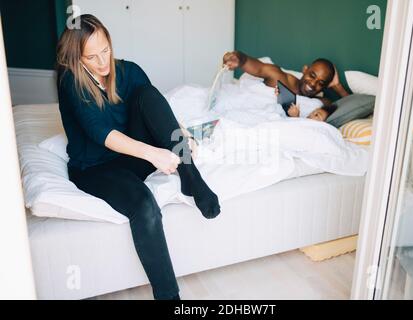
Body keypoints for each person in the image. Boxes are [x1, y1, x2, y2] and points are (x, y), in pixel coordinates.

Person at [56, 14, 221, 300]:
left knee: (147, 93)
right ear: (77, 59)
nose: (103, 61)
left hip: (131, 157)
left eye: (105, 50)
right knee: (145, 206)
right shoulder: (72, 82)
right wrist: (154, 153)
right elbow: (102, 133)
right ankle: (169, 297)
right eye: (92, 56)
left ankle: (191, 177)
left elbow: (158, 111)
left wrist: (183, 136)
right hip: (96, 168)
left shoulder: (127, 70)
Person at [223, 51, 349, 118]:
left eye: (321, 83)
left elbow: (349, 107)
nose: (313, 83)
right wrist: (238, 58)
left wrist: (337, 87)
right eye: (312, 75)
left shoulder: (320, 103)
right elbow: (256, 66)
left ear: (325, 87)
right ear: (305, 70)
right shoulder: (281, 78)